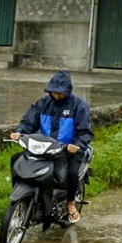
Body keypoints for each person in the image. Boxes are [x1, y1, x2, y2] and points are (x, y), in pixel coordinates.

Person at [10, 70, 93, 223]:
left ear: (67, 91)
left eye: (59, 93)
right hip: (45, 149)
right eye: (53, 92)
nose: (56, 95)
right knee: (16, 160)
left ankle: (70, 203)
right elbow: (29, 122)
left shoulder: (78, 106)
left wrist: (77, 144)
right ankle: (23, 195)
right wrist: (19, 132)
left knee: (71, 173)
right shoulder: (42, 104)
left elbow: (85, 132)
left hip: (69, 151)